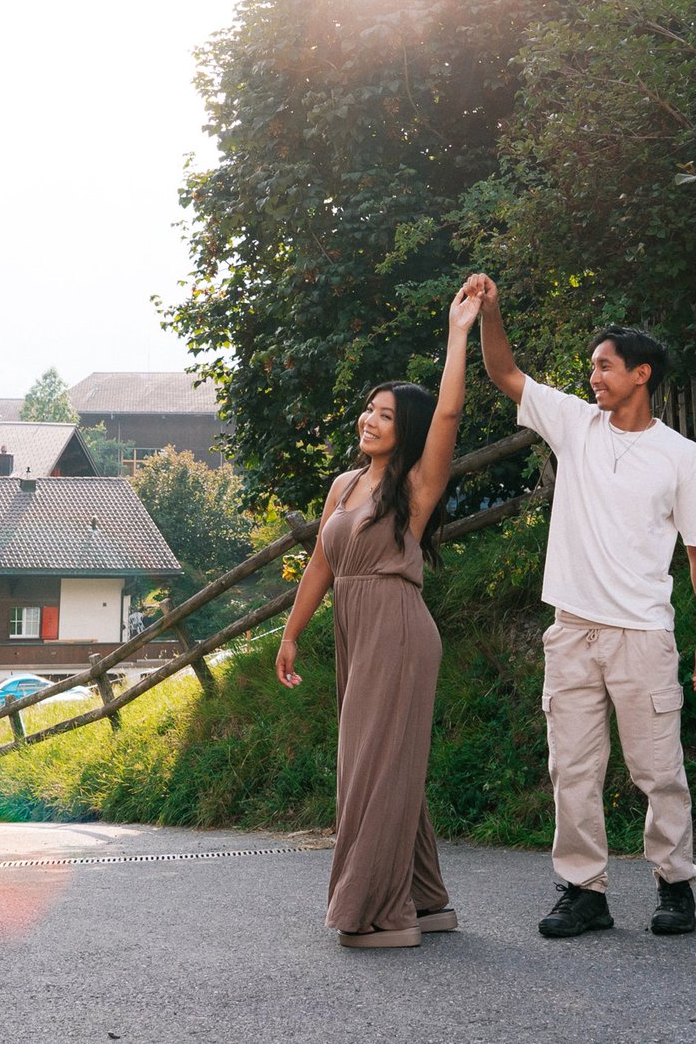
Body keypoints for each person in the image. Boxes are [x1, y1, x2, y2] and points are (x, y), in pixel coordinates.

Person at [468, 274, 696, 939]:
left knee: (657, 767)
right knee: (572, 766)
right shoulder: (576, 424)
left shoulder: (681, 456)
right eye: (591, 367)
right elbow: (503, 369)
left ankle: (675, 885)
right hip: (574, 630)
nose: (593, 377)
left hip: (644, 634)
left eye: (604, 366)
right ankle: (584, 891)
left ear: (641, 374)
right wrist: (490, 311)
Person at [275, 282, 480, 948]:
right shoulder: (344, 484)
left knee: (375, 764)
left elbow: (448, 414)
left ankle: (375, 909)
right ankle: (425, 898)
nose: (369, 419)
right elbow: (321, 566)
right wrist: (292, 631)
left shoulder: (417, 485)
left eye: (386, 415)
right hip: (354, 630)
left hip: (397, 626)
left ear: (407, 430)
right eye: (369, 408)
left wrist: (458, 334)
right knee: (380, 759)